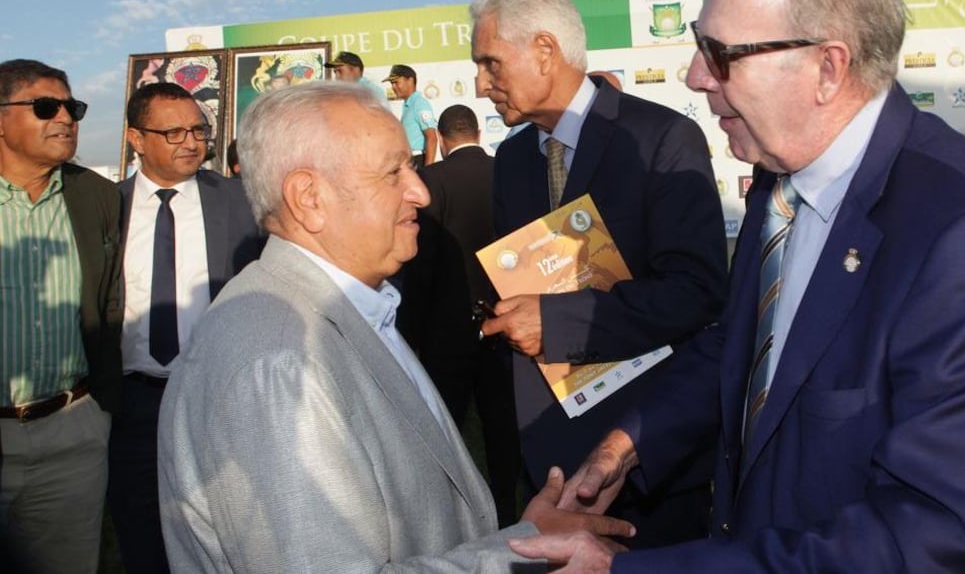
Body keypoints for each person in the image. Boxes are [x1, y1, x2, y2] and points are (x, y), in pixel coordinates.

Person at [509, 0, 965, 572]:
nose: (693, 77)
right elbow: (740, 344)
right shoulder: (779, 173)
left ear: (827, 68)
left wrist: (624, 570)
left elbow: (941, 532)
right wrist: (626, 445)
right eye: (695, 46)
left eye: (720, 54)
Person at [157, 81, 632, 572]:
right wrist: (509, 561)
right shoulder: (277, 365)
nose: (421, 191)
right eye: (393, 173)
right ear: (309, 197)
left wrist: (526, 542)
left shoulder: (345, 310)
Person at [470, 0, 728, 548]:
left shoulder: (661, 138)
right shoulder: (510, 160)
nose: (480, 84)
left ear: (545, 49)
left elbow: (696, 292)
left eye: (491, 63)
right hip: (551, 463)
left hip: (645, 461)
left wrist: (557, 324)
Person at [108, 83, 262, 574]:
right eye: (173, 132)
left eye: (198, 130)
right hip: (132, 406)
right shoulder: (106, 208)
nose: (191, 142)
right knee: (142, 529)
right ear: (136, 137)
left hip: (216, 395)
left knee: (231, 525)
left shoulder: (241, 202)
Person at [0, 59, 123, 574]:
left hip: (73, 434)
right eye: (45, 107)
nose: (66, 119)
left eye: (72, 108)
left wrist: (99, 408)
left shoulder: (95, 195)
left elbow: (110, 301)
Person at [397, 103, 520, 525]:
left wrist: (410, 333)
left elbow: (420, 267)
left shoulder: (431, 180)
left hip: (445, 332)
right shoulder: (506, 172)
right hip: (507, 324)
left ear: (444, 139)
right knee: (502, 428)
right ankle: (507, 507)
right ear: (477, 134)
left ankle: (447, 516)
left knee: (443, 428)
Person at [385, 64, 438, 169]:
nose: (393, 87)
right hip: (410, 161)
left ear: (410, 80)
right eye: (392, 83)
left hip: (418, 160)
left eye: (396, 82)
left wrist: (428, 171)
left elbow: (432, 138)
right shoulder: (408, 105)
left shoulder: (419, 103)